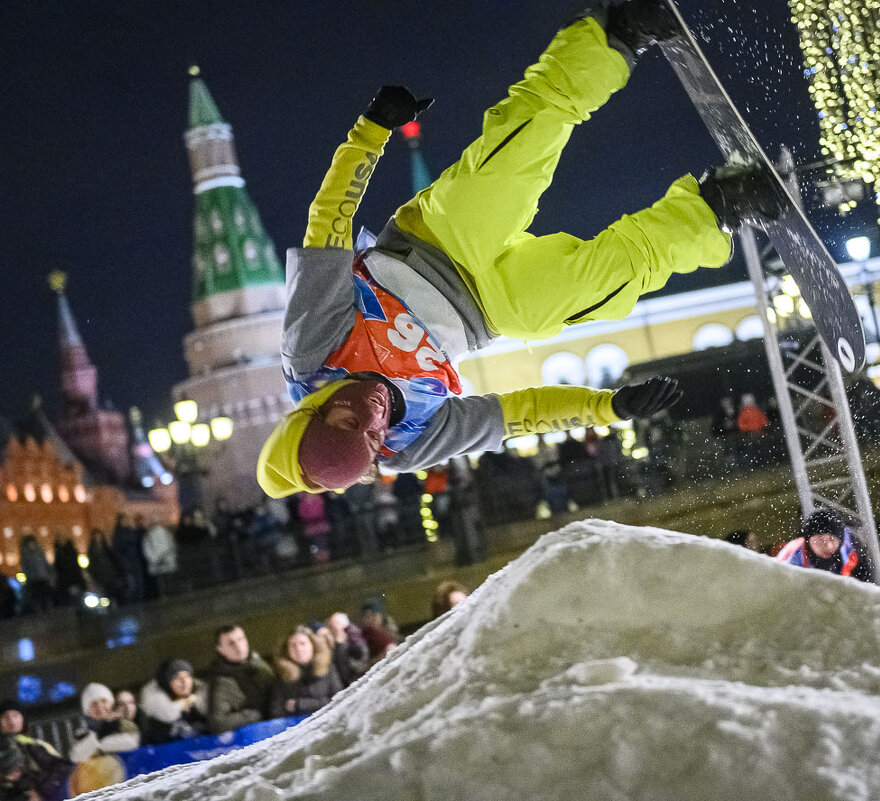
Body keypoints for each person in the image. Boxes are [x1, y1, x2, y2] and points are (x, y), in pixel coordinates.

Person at [256, 0, 786, 499]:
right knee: (592, 291)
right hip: (487, 312)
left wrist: (369, 133)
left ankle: (615, 36)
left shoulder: (312, 352)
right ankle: (719, 205)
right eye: (372, 441)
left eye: (351, 423)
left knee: (524, 144)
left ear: (317, 412)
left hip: (433, 243)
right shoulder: (409, 442)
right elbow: (516, 415)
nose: (373, 420)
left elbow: (328, 224)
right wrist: (610, 407)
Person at [205, 625, 275, 735]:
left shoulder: (260, 665)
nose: (238, 646)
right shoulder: (221, 682)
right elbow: (219, 723)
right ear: (220, 649)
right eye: (231, 643)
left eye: (240, 639)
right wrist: (256, 714)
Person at [269, 626, 343, 718]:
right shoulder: (281, 675)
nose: (298, 649)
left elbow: (340, 700)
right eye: (293, 645)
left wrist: (300, 704)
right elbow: (276, 712)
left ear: (313, 645)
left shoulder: (329, 668)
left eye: (302, 643)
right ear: (287, 650)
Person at [776, 509, 870, 580]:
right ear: (807, 540)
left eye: (832, 539)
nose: (828, 546)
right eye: (819, 540)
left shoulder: (851, 544)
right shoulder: (791, 562)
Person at [139, 659, 209, 744]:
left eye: (187, 676)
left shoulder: (201, 703)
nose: (184, 682)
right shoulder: (157, 715)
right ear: (167, 683)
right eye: (177, 677)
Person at [68, 684, 140, 763]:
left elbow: (133, 743)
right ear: (87, 712)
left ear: (111, 704)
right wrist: (98, 736)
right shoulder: (82, 734)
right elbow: (76, 757)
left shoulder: (124, 724)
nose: (99, 707)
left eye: (103, 701)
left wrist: (98, 744)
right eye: (93, 704)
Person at [0, 735, 71, 801]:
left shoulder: (33, 752)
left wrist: (42, 792)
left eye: (16, 767)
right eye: (6, 772)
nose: (13, 775)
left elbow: (64, 768)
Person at [324, 612, 369, 688]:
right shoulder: (332, 646)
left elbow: (350, 672)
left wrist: (340, 646)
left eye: (333, 628)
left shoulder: (355, 641)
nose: (331, 632)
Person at [141, 517, 179, 597]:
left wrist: (155, 559)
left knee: (162, 585)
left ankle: (165, 597)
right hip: (166, 562)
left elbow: (147, 551)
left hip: (158, 563)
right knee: (169, 584)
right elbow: (172, 547)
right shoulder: (166, 533)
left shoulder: (147, 536)